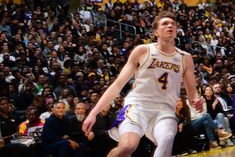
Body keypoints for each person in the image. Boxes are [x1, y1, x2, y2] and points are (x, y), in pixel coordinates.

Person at [81, 12, 203, 157]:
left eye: (173, 24)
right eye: (165, 23)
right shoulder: (143, 51)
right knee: (127, 147)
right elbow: (118, 84)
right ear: (156, 32)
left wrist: (195, 99)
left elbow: (192, 90)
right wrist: (93, 113)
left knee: (166, 140)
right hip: (138, 106)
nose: (170, 25)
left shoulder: (185, 57)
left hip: (165, 109)